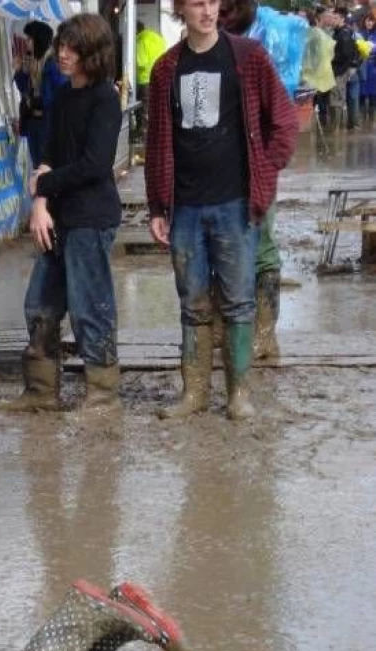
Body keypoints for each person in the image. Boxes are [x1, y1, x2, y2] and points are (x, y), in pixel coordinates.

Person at [145, 0, 298, 420]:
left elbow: (284, 121)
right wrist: (158, 205)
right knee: (192, 303)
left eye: (213, 3)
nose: (208, 11)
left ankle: (238, 395)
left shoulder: (248, 58)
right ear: (182, 10)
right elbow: (158, 140)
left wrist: (266, 170)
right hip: (185, 206)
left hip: (235, 203)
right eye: (198, 4)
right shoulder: (164, 69)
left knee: (237, 301)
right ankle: (194, 394)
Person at [0, 13, 123, 414]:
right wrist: (40, 203)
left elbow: (95, 165)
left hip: (91, 217)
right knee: (39, 303)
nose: (63, 55)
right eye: (61, 46)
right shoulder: (64, 96)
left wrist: (44, 186)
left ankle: (103, 395)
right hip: (57, 217)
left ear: (94, 54)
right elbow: (47, 155)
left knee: (90, 305)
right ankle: (40, 391)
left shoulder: (105, 99)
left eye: (72, 49)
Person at [217, 0, 308, 360]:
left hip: (257, 161)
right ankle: (227, 328)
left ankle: (265, 334)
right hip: (215, 167)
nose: (222, 16)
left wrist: (268, 165)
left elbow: (284, 120)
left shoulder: (271, 38)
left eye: (229, 9)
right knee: (219, 245)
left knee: (262, 243)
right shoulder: (208, 39)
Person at [14, 21, 67, 168]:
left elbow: (58, 94)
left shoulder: (52, 64)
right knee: (37, 165)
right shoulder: (33, 61)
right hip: (33, 122)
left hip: (48, 122)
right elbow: (25, 88)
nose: (27, 43)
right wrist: (19, 71)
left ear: (38, 39)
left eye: (30, 39)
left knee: (46, 165)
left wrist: (39, 102)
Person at [136, 21, 168, 139]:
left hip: (146, 80)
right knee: (157, 108)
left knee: (145, 110)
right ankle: (158, 135)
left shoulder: (140, 40)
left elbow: (141, 63)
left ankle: (145, 138)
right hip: (161, 78)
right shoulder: (157, 37)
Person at [330, 6, 360, 130]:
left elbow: (346, 54)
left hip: (340, 70)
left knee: (336, 99)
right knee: (336, 98)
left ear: (342, 19)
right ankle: (337, 126)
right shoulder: (338, 32)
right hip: (336, 70)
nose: (333, 20)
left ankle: (336, 128)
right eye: (332, 18)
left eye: (335, 18)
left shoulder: (345, 33)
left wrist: (330, 57)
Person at [358, 12, 376, 126]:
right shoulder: (360, 34)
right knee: (362, 95)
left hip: (374, 69)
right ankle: (362, 120)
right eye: (367, 20)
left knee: (373, 96)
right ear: (364, 21)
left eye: (371, 20)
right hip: (362, 68)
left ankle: (371, 120)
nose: (369, 22)